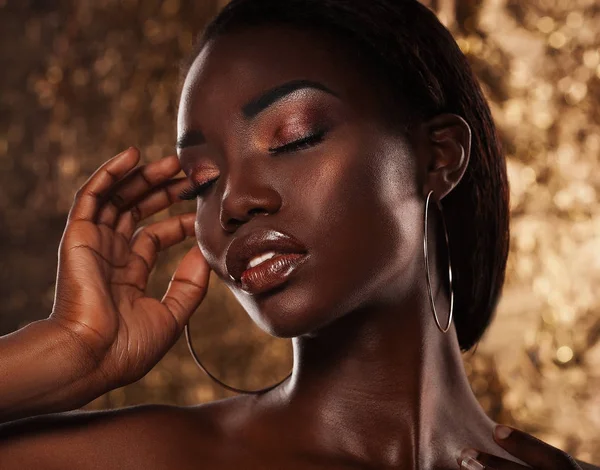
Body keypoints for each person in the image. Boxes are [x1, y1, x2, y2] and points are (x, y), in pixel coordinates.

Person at [0, 0, 597, 468]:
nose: (233, 201)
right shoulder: (139, 460)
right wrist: (65, 353)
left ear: (438, 158)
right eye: (202, 179)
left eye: (293, 138)